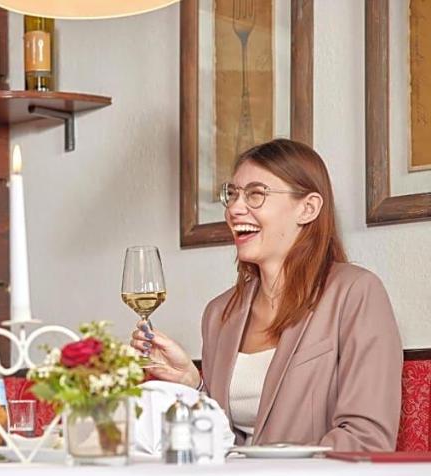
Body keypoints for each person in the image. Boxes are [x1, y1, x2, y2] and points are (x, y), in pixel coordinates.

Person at [132, 139, 402, 452]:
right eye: (232, 194)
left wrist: (273, 474)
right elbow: (223, 439)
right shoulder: (219, 313)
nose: (234, 209)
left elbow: (367, 438)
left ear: (308, 208)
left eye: (255, 194)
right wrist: (193, 384)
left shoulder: (356, 293)